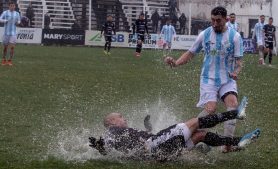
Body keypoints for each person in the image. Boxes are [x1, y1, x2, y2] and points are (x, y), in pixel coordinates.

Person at [164, 6, 244, 153]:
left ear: (226, 19)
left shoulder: (235, 37)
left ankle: (227, 144)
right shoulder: (205, 35)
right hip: (208, 79)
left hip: (227, 79)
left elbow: (239, 62)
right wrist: (175, 63)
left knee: (233, 105)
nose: (214, 24)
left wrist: (236, 71)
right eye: (212, 20)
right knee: (211, 109)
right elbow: (190, 53)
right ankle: (190, 133)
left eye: (218, 21)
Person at [89, 97, 261, 160]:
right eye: (120, 117)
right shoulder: (112, 131)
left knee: (200, 135)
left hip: (159, 151)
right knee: (195, 122)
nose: (123, 118)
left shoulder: (120, 133)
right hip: (155, 147)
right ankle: (235, 114)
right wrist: (101, 146)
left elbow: (125, 145)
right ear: (111, 122)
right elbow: (109, 143)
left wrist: (147, 127)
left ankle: (239, 141)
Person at [0, 1, 20, 66]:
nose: (12, 7)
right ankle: (4, 60)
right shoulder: (5, 12)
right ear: (9, 6)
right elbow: (0, 19)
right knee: (5, 48)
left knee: (12, 47)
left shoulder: (17, 13)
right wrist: (5, 21)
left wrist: (18, 23)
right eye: (11, 6)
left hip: (13, 33)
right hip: (6, 33)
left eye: (13, 6)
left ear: (15, 6)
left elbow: (19, 21)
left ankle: (9, 61)